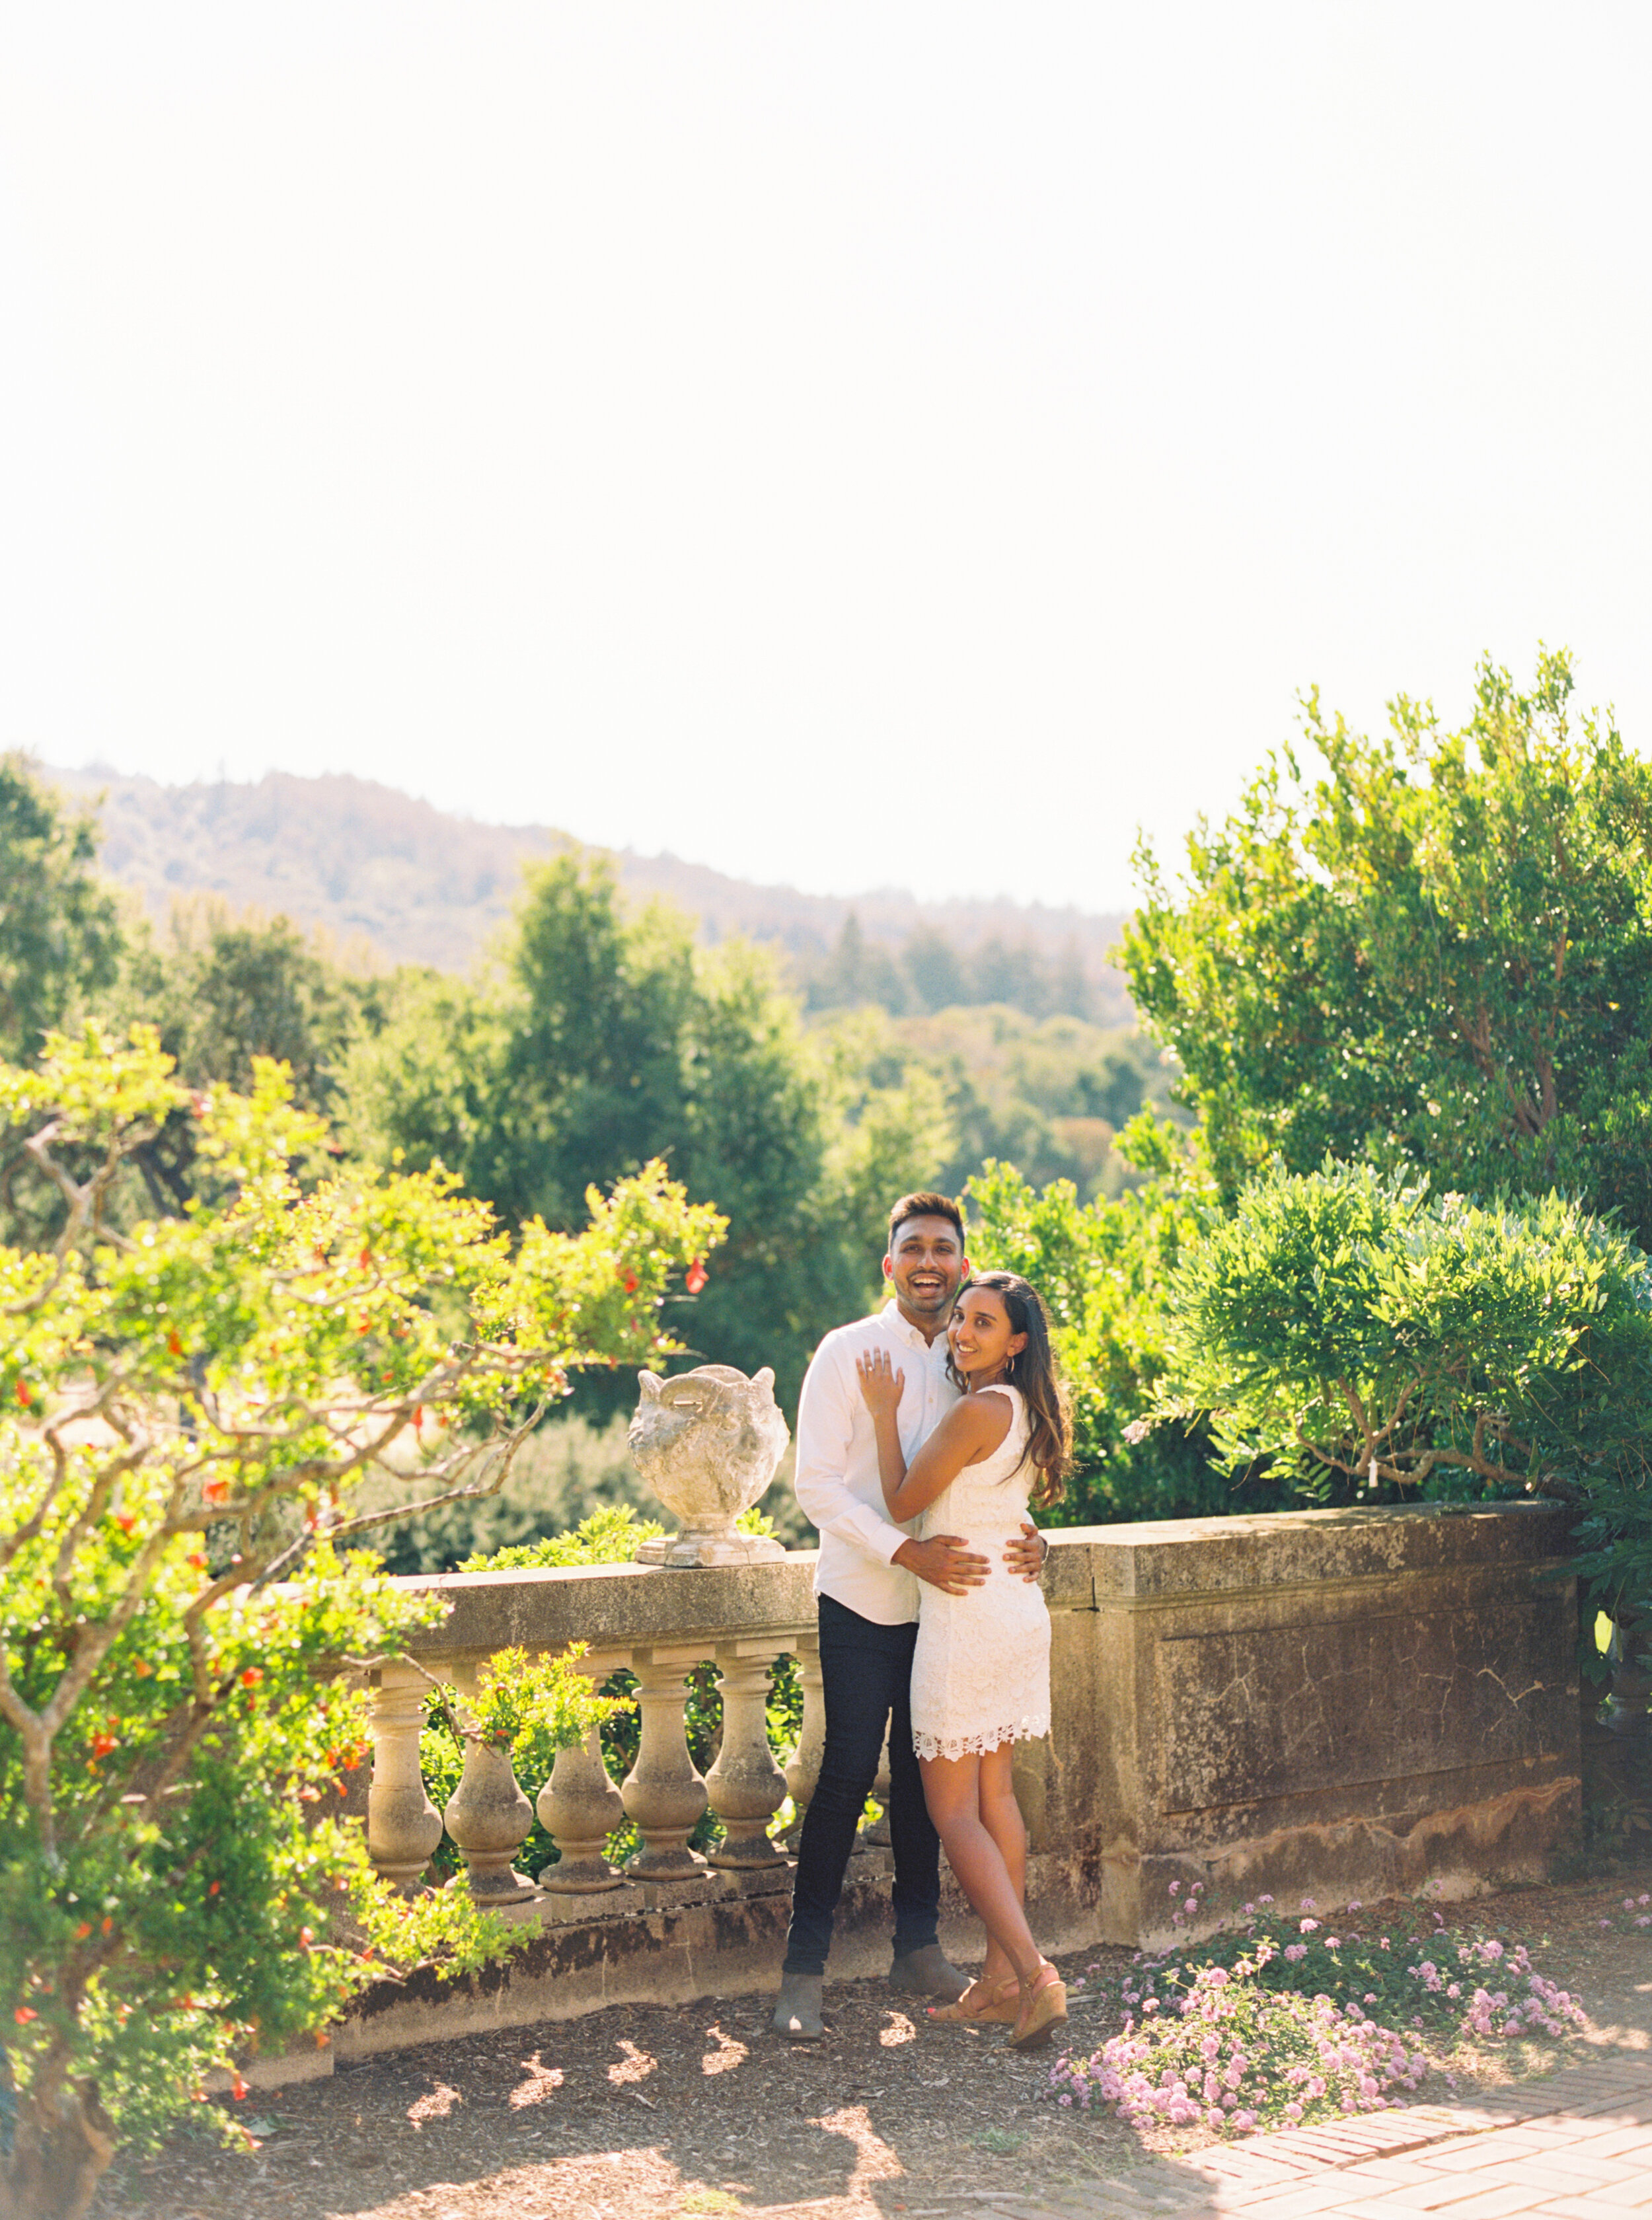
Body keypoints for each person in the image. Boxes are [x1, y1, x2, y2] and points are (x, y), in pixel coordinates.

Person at [772, 1196, 1048, 2042]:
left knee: (934, 1790)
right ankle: (802, 1974)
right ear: (888, 1264)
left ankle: (918, 1945)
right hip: (864, 1596)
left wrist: (1035, 1538)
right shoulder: (847, 1352)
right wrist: (902, 1553)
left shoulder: (972, 1354)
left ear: (963, 1264)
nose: (928, 1261)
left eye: (944, 1248)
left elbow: (988, 1475)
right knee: (847, 1779)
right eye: (912, 1248)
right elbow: (814, 1486)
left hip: (954, 1610)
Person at [855, 1269, 1071, 2051]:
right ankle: (1000, 1982)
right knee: (994, 1799)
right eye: (962, 1319)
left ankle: (1034, 1974)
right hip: (1010, 1609)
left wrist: (882, 1415)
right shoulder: (1021, 1411)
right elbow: (997, 1509)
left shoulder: (978, 1407)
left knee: (953, 1811)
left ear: (1015, 1343)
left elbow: (904, 1502)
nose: (964, 1332)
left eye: (984, 1323)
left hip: (967, 1616)